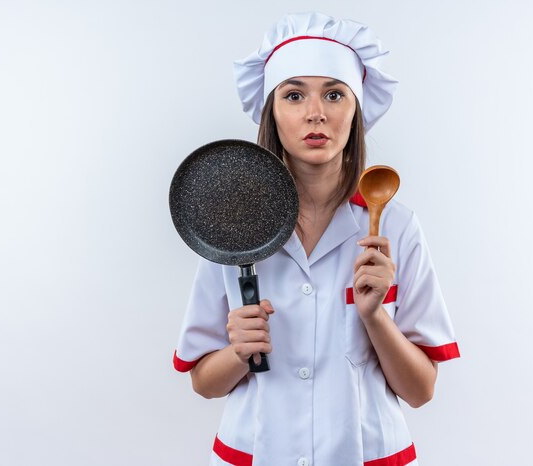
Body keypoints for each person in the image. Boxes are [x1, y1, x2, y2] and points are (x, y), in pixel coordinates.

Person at [173, 12, 460, 466]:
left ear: (355, 110)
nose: (316, 113)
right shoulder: (230, 223)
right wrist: (239, 352)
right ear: (272, 112)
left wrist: (375, 317)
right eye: (293, 95)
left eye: (334, 94)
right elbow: (205, 383)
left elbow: (421, 390)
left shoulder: (396, 226)